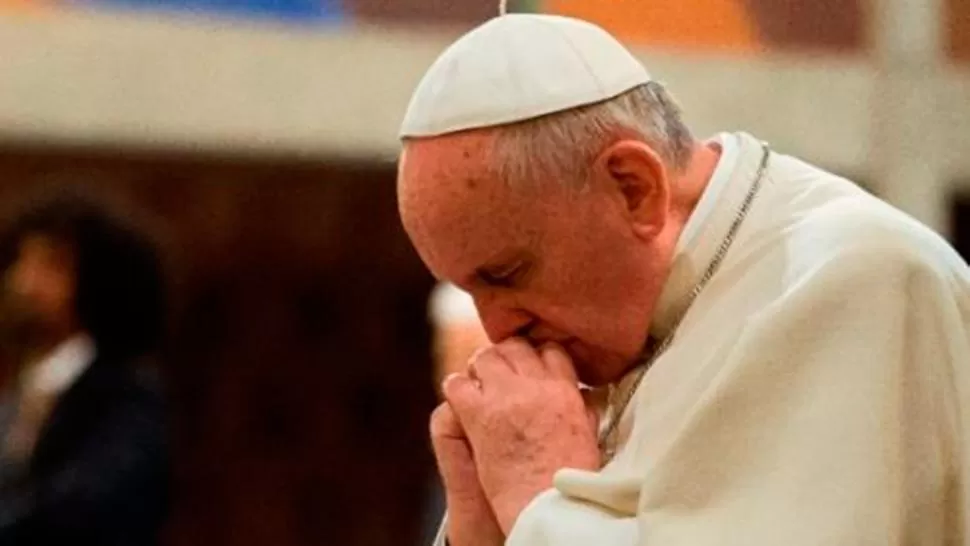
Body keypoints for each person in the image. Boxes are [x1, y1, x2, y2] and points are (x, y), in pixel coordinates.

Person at [395, 12, 970, 546]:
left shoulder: (862, 282)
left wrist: (542, 500)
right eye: (472, 292)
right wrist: (482, 530)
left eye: (508, 273)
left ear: (633, 187)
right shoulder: (627, 333)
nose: (497, 332)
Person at [0, 187, 172, 545]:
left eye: (50, 265)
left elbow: (86, 509)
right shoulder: (21, 392)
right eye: (22, 261)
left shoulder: (126, 398)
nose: (23, 283)